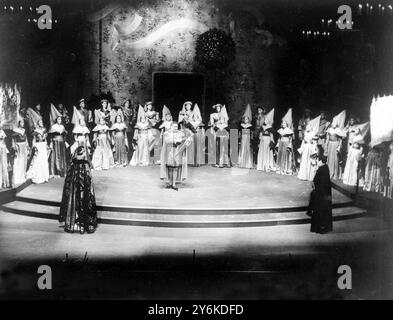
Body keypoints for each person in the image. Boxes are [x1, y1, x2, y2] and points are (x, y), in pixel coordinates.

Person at [59, 146, 97, 234]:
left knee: (77, 200)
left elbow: (69, 180)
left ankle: (77, 223)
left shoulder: (74, 163)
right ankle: (82, 224)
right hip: (81, 186)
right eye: (82, 152)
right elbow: (88, 178)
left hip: (76, 186)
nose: (83, 154)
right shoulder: (84, 164)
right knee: (83, 200)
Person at [162, 122, 192, 190]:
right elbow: (166, 141)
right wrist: (174, 141)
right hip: (169, 151)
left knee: (175, 168)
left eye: (176, 126)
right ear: (171, 127)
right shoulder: (167, 133)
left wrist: (185, 140)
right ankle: (170, 183)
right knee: (169, 168)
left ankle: (174, 184)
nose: (175, 128)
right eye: (174, 126)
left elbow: (185, 139)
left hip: (177, 152)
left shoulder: (180, 133)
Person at [309, 153, 333, 234]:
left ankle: (319, 228)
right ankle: (324, 227)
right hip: (325, 195)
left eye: (318, 160)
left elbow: (317, 181)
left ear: (320, 161)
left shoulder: (321, 169)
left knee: (319, 211)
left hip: (320, 195)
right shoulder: (326, 168)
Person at [26, 119, 50, 184]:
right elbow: (33, 139)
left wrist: (46, 145)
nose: (41, 123)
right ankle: (37, 176)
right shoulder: (36, 130)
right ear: (38, 123)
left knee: (44, 159)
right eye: (39, 122)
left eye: (41, 122)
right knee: (38, 159)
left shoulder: (44, 129)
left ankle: (44, 176)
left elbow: (45, 139)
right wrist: (35, 146)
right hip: (38, 145)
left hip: (43, 145)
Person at [297, 115, 320, 181]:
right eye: (307, 126)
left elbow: (315, 142)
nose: (308, 127)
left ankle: (310, 175)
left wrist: (314, 149)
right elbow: (303, 142)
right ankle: (303, 175)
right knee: (304, 160)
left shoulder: (313, 134)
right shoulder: (305, 133)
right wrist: (301, 149)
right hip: (305, 148)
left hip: (310, 148)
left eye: (309, 126)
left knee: (310, 161)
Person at [325, 110, 346, 180]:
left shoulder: (338, 130)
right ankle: (329, 173)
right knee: (330, 159)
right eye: (333, 121)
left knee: (335, 159)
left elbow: (340, 140)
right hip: (330, 145)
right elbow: (327, 138)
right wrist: (326, 147)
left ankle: (335, 174)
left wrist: (339, 148)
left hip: (335, 145)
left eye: (335, 122)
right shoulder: (329, 129)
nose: (334, 123)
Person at [276, 108, 294, 175]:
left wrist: (289, 145)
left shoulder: (289, 130)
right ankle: (279, 168)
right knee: (280, 155)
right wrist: (278, 143)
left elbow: (290, 138)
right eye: (283, 123)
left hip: (286, 142)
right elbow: (279, 137)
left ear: (287, 124)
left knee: (285, 155)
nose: (283, 124)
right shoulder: (280, 130)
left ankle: (284, 169)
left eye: (284, 123)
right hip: (281, 142)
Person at [11, 120, 29, 186]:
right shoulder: (15, 130)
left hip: (24, 146)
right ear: (19, 123)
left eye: (23, 122)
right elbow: (13, 139)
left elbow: (26, 138)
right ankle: (18, 176)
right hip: (18, 146)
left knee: (24, 161)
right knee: (18, 161)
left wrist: (27, 145)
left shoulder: (24, 130)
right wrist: (14, 146)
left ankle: (23, 175)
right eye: (21, 122)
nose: (22, 123)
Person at [238, 104, 253, 169]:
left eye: (247, 119)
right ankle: (242, 163)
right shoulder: (241, 125)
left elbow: (251, 134)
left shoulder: (250, 126)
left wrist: (251, 140)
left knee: (247, 149)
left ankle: (247, 163)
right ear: (243, 120)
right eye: (245, 119)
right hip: (243, 139)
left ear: (248, 120)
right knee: (242, 149)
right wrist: (239, 138)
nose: (246, 120)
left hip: (248, 139)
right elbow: (240, 133)